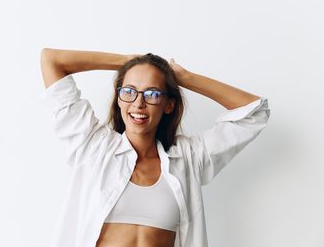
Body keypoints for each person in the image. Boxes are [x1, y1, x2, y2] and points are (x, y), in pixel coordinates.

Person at [39, 49, 270, 247]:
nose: (138, 103)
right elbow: (52, 60)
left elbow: (254, 112)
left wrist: (185, 78)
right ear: (118, 98)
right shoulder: (93, 146)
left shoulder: (188, 158)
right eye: (129, 91)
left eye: (152, 94)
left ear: (169, 104)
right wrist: (127, 62)